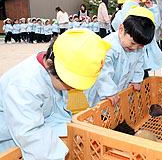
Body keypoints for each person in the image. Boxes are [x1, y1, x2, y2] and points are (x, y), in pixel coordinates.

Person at [0, 28, 111, 159]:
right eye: (70, 84)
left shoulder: (54, 67)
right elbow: (30, 134)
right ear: (49, 64)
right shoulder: (24, 86)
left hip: (38, 129)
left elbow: (56, 112)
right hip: (11, 138)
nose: (72, 89)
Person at [85, 7, 155, 108]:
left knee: (118, 110)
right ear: (121, 29)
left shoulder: (136, 48)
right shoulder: (109, 46)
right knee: (102, 112)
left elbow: (139, 64)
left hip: (121, 90)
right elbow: (102, 72)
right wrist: (109, 91)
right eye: (132, 43)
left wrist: (136, 80)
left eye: (140, 46)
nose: (135, 48)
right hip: (102, 93)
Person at [111, 0, 162, 77]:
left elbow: (154, 25)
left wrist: (151, 9)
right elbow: (120, 22)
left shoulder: (142, 18)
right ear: (123, 6)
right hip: (128, 60)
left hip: (143, 59)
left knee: (142, 77)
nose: (138, 9)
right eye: (135, 5)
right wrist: (131, 5)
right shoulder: (120, 17)